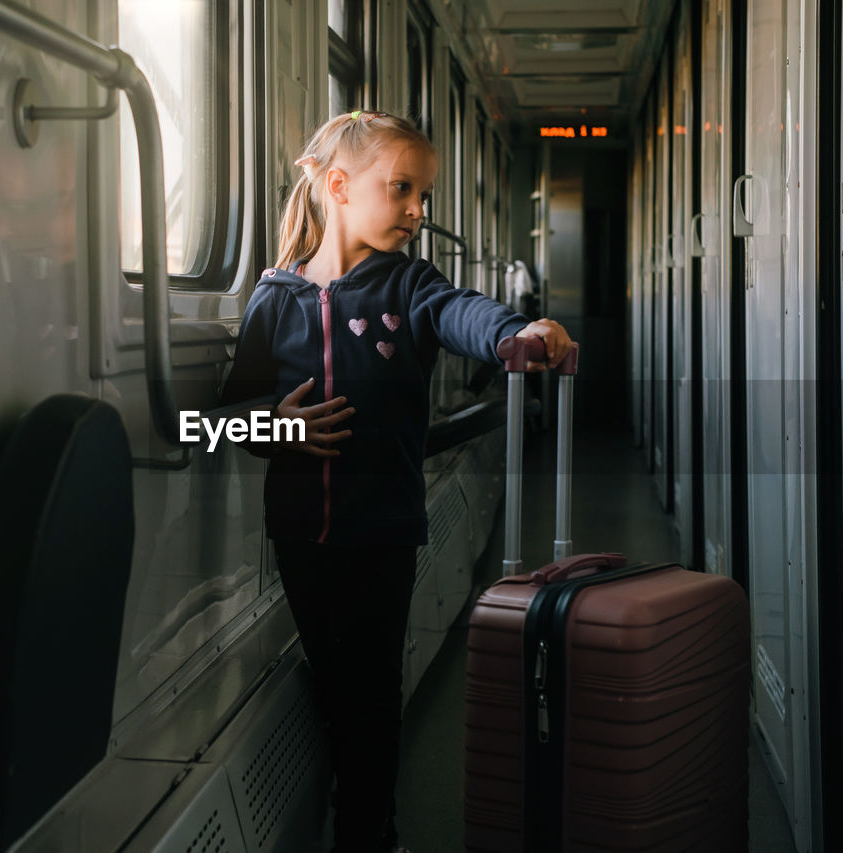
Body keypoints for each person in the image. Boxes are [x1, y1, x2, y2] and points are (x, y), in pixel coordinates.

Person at [220, 110, 572, 853]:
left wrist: (516, 331)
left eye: (424, 195)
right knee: (345, 692)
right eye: (402, 189)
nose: (418, 210)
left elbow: (461, 314)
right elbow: (219, 424)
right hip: (300, 537)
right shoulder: (273, 301)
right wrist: (278, 426)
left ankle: (367, 837)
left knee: (373, 698)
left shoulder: (410, 284)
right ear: (340, 187)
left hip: (380, 530)